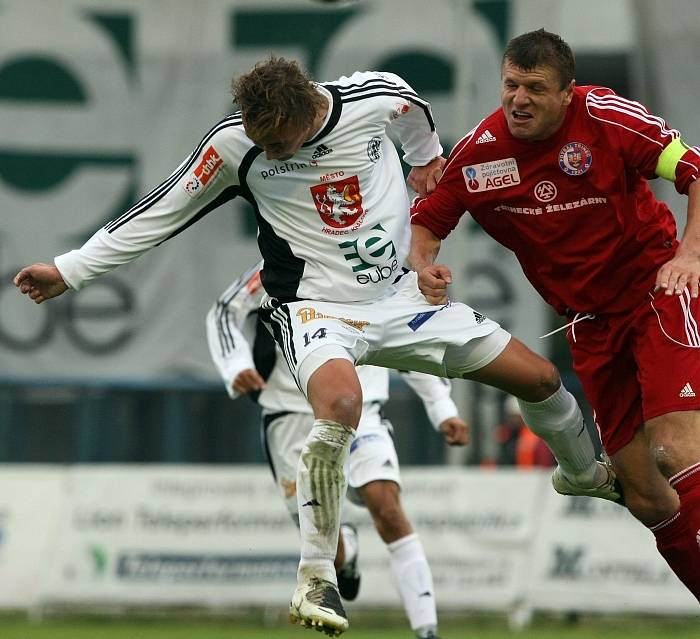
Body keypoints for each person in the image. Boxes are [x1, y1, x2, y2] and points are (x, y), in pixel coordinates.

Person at [14, 56, 620, 635]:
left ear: (307, 113)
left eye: (279, 144)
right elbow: (155, 214)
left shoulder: (375, 97)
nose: (269, 153)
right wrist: (69, 271)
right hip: (314, 310)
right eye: (262, 144)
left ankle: (582, 473)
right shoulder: (235, 146)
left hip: (402, 302)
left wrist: (426, 159)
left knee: (541, 379)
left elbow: (414, 112)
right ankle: (315, 575)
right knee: (340, 406)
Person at [410, 28, 700, 602]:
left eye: (535, 89)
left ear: (568, 93)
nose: (518, 99)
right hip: (588, 324)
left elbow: (696, 169)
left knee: (674, 449)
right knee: (644, 493)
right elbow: (427, 221)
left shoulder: (608, 119)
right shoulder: (481, 153)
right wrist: (423, 265)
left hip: (656, 292)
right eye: (511, 85)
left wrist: (691, 254)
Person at [207, 261, 467, 639]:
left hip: (360, 410)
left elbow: (410, 333)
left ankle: (427, 632)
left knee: (388, 508)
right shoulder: (276, 262)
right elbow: (224, 311)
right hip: (289, 414)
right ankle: (346, 551)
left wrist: (442, 408)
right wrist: (235, 365)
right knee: (327, 544)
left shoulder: (380, 265)